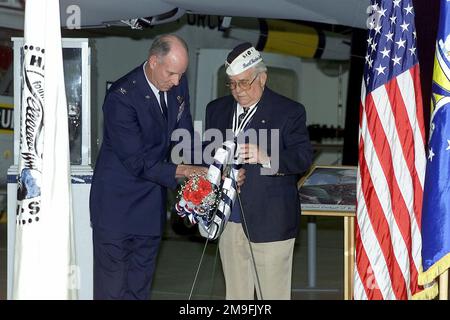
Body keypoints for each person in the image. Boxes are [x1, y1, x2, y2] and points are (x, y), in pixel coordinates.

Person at [89, 34, 206, 300]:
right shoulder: (121, 97)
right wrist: (185, 171)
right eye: (172, 73)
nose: (177, 81)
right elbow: (137, 161)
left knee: (139, 289)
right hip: (116, 208)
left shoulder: (177, 84)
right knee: (113, 290)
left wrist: (214, 166)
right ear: (153, 61)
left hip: (150, 205)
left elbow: (184, 136)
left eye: (181, 74)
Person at [204, 42, 313, 299]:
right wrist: (219, 172)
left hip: (271, 222)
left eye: (244, 82)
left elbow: (302, 158)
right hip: (228, 218)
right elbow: (207, 154)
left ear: (262, 78)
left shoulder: (289, 111)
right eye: (232, 83)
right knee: (236, 296)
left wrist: (267, 158)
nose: (238, 90)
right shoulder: (216, 110)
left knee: (272, 295)